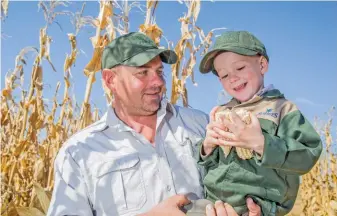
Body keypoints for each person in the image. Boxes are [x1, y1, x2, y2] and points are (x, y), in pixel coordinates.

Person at [47, 32, 261, 216]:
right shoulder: (79, 152)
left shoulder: (200, 124)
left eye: (159, 72)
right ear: (110, 79)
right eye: (142, 72)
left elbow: (238, 181)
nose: (158, 82)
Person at [197, 30, 323, 216]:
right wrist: (207, 147)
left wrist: (261, 143)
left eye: (239, 68)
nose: (232, 78)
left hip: (256, 206)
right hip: (215, 202)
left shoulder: (281, 109)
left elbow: (309, 153)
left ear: (262, 65)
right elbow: (208, 164)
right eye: (224, 75)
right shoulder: (222, 112)